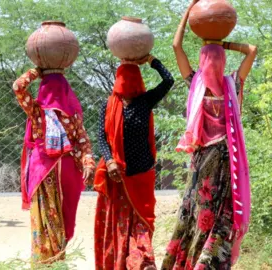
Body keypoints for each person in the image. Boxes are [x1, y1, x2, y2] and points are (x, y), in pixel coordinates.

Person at [162, 0, 257, 268]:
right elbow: (252, 50)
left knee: (197, 207)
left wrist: (189, 17)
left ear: (201, 63)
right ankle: (208, 261)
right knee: (219, 210)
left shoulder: (196, 84)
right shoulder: (233, 85)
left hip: (203, 157)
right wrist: (220, 44)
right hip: (226, 159)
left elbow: (176, 46)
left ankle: (191, 259)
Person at [94, 54, 174, 270]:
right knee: (120, 226)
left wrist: (151, 60)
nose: (127, 82)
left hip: (142, 174)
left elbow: (169, 80)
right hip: (117, 176)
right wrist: (109, 161)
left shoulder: (145, 101)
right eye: (123, 77)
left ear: (138, 79)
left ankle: (144, 261)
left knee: (142, 221)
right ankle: (123, 263)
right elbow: (101, 137)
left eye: (131, 77)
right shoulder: (108, 105)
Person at [13, 68, 95, 265]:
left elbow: (18, 87)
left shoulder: (36, 111)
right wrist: (88, 163)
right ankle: (57, 263)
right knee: (62, 222)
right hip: (61, 174)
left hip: (42, 171)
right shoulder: (72, 116)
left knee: (44, 221)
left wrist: (35, 72)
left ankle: (46, 265)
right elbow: (84, 143)